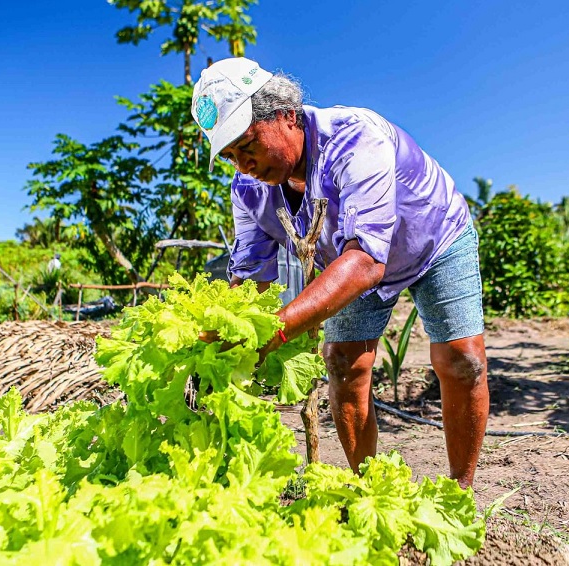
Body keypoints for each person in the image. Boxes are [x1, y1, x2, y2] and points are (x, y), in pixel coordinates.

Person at [191, 57, 488, 488]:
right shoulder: (249, 190)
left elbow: (367, 259)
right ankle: (368, 491)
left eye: (248, 145)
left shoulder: (353, 137)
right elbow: (251, 279)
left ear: (285, 115)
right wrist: (220, 338)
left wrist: (271, 335)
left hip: (433, 237)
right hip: (349, 259)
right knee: (344, 363)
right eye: (232, 156)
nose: (244, 165)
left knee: (462, 359)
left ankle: (460, 492)